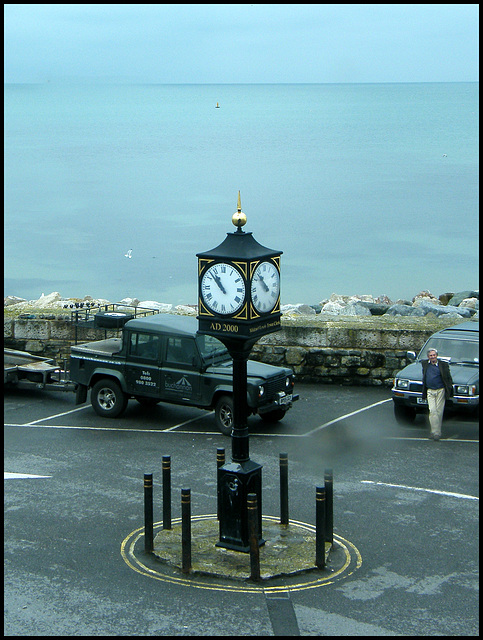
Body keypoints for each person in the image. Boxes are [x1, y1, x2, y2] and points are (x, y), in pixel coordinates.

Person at [421, 348, 454, 440]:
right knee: (432, 411)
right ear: (428, 357)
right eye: (431, 355)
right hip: (430, 391)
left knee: (439, 413)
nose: (433, 357)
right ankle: (436, 432)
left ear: (437, 355)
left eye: (434, 355)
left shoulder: (443, 365)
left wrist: (449, 389)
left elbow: (448, 378)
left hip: (440, 390)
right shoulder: (425, 364)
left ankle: (435, 433)